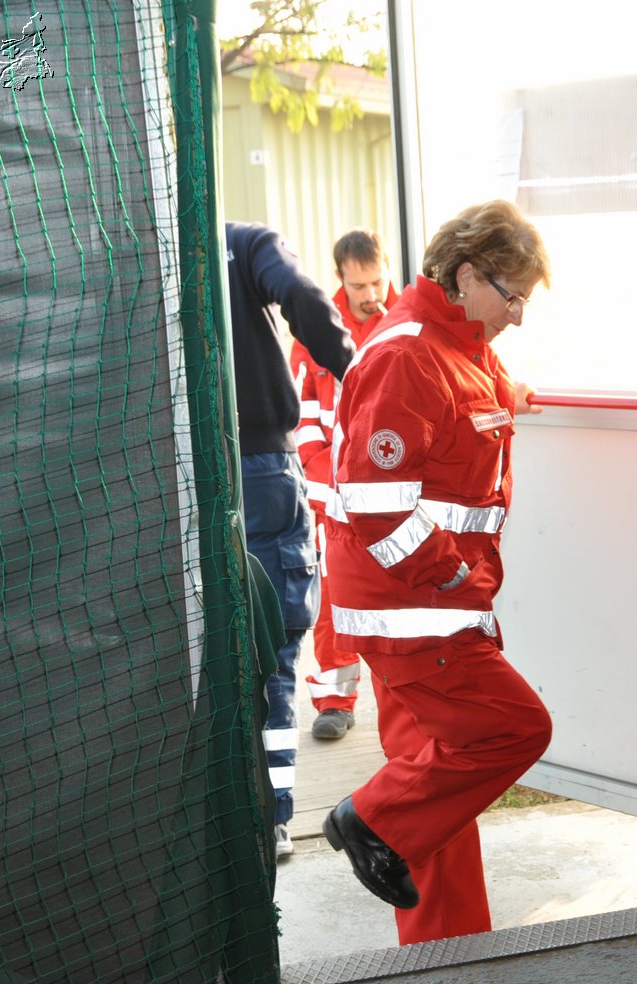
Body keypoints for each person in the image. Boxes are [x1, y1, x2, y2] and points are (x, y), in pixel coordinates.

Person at [319, 200, 553, 944]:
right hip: (418, 612)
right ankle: (368, 819)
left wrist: (508, 396)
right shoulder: (407, 352)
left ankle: (443, 955)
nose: (517, 315)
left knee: (436, 781)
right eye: (510, 295)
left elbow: (460, 413)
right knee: (513, 729)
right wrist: (451, 577)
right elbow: (374, 502)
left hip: (427, 607)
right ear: (464, 274)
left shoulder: (462, 343)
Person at [224, 221, 357, 861]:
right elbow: (300, 293)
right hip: (258, 468)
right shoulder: (243, 244)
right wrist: (352, 371)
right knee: (273, 647)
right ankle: (272, 821)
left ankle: (220, 820)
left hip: (172, 473)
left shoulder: (141, 249)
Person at [288, 230, 400, 741]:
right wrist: (319, 473)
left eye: (377, 280)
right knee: (333, 599)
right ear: (340, 279)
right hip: (332, 496)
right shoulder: (314, 330)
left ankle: (403, 706)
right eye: (359, 285)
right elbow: (301, 413)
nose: (371, 293)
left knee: (397, 601)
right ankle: (335, 700)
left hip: (394, 494)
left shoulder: (406, 323)